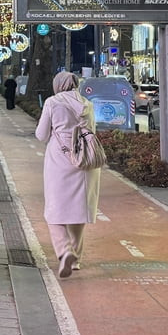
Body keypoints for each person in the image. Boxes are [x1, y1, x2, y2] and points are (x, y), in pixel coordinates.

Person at [35, 71, 102, 278]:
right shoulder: (87, 104)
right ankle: (76, 260)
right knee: (78, 210)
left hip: (60, 160)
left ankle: (65, 251)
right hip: (86, 161)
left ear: (58, 85)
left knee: (54, 210)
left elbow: (41, 134)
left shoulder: (52, 102)